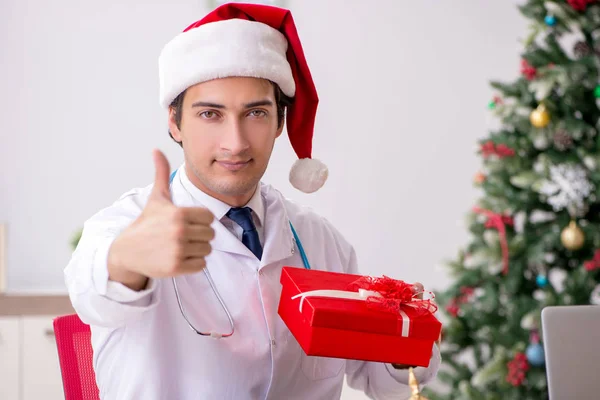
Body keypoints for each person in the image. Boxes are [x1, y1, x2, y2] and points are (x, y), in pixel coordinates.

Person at [64, 3, 441, 399]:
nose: (236, 142)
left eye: (256, 113)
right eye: (210, 114)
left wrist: (404, 336)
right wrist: (128, 261)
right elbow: (93, 293)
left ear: (280, 121)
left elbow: (385, 381)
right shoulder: (124, 225)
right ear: (174, 123)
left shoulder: (319, 240)